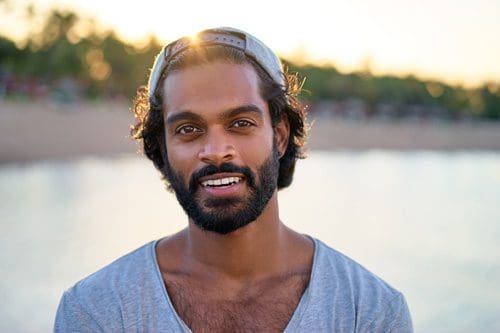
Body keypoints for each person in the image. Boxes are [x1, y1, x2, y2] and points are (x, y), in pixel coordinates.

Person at [54, 27, 413, 332]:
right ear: (162, 148)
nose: (215, 150)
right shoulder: (97, 312)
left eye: (241, 123)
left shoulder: (368, 312)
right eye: (188, 129)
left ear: (281, 135)